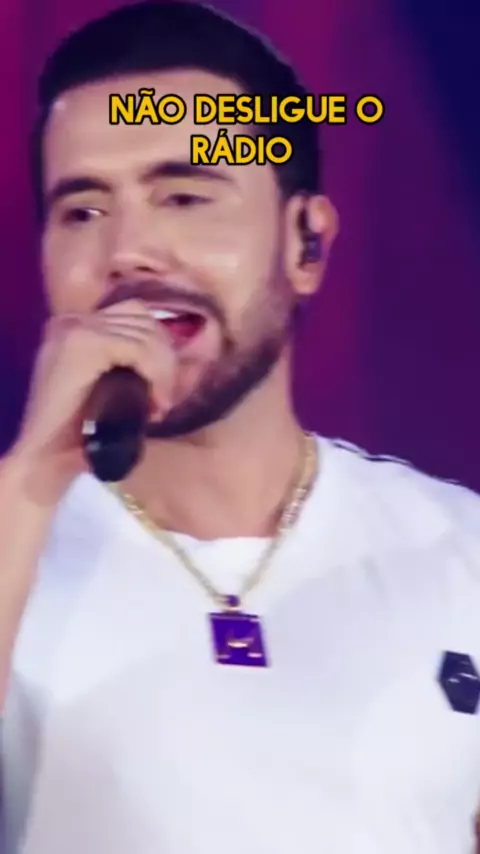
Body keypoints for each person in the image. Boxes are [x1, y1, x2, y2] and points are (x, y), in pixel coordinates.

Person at [1, 2, 480, 852]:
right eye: (83, 211)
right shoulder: (18, 535)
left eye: (184, 196)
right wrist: (34, 480)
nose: (129, 251)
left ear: (307, 245)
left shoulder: (457, 549)